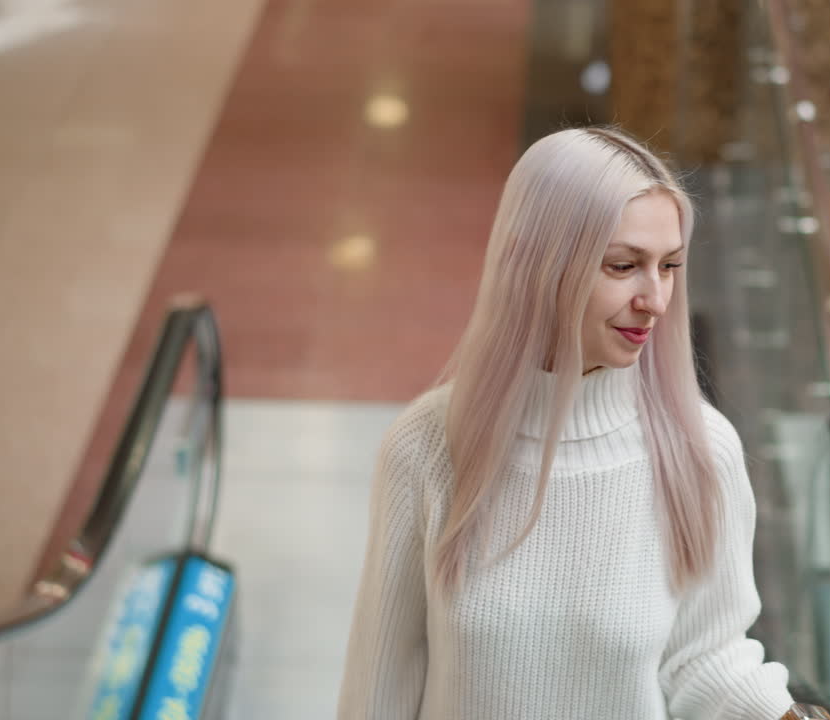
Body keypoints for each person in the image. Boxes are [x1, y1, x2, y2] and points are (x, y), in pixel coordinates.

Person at [337, 127, 805, 719]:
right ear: (537, 263)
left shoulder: (701, 449)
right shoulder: (428, 446)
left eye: (669, 266)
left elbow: (706, 658)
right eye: (623, 265)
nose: (655, 299)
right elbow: (380, 684)